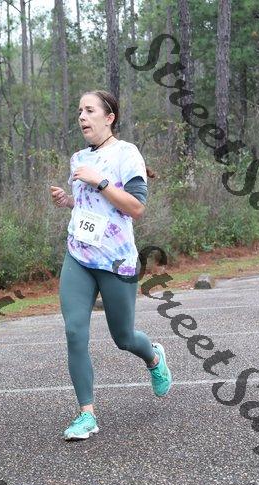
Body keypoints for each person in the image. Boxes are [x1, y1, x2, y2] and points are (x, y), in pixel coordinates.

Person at [50, 89, 172, 441]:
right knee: (75, 332)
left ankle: (153, 357)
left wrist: (99, 181)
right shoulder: (78, 158)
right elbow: (90, 206)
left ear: (109, 117)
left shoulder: (126, 153)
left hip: (116, 260)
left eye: (89, 110)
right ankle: (86, 414)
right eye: (79, 111)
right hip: (79, 255)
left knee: (124, 337)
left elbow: (136, 207)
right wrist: (68, 201)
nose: (82, 117)